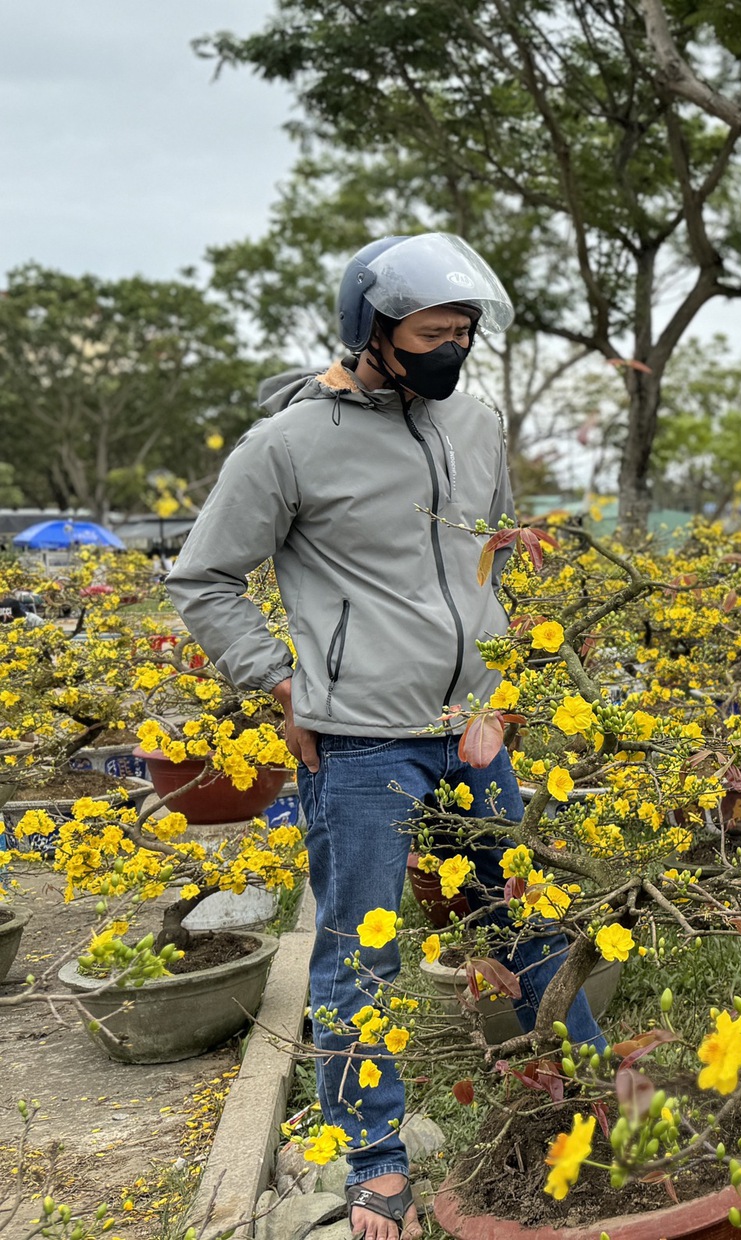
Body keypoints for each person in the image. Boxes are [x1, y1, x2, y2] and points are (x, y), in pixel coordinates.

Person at [165, 234, 604, 1240]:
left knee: (528, 925)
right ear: (372, 330)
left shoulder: (475, 419)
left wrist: (499, 686)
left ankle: (589, 1107)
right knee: (361, 957)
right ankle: (372, 1157)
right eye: (433, 334)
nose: (453, 351)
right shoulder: (286, 445)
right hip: (360, 742)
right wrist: (279, 681)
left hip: (472, 730)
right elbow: (203, 577)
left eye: (464, 334)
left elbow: (475, 555)